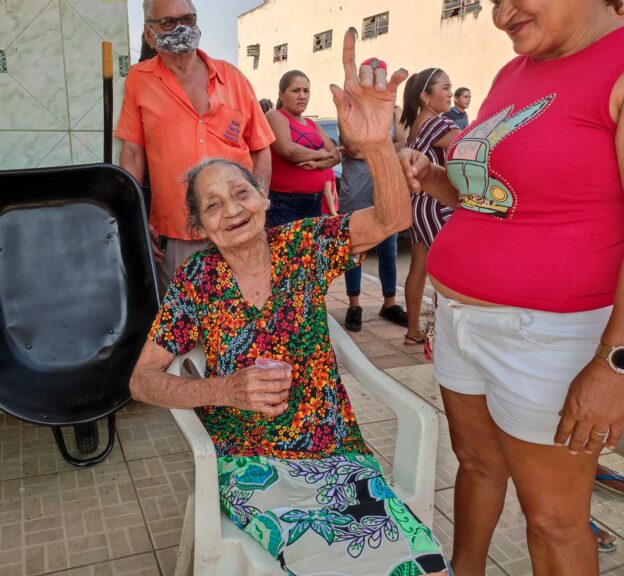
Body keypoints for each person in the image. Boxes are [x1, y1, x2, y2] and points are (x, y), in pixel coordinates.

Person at [130, 29, 448, 576]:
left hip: (335, 453)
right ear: (199, 227)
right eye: (212, 206)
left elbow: (391, 219)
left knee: (420, 566)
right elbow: (141, 381)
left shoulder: (303, 245)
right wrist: (224, 389)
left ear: (263, 197)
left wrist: (376, 146)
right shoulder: (197, 281)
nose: (232, 210)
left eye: (240, 193)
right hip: (251, 464)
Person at [399, 0, 624, 573]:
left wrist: (614, 365)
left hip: (550, 341)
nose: (501, 15)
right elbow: (488, 199)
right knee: (475, 466)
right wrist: (433, 177)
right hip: (459, 322)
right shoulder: (510, 74)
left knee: (553, 520)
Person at [117, 0, 274, 289]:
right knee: (185, 312)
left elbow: (261, 147)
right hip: (180, 232)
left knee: (249, 305)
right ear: (150, 34)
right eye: (168, 22)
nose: (181, 29)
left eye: (188, 20)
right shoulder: (139, 80)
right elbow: (132, 153)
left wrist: (260, 197)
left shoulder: (233, 78)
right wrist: (134, 215)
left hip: (240, 224)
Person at [340, 58, 408, 332]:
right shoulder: (349, 106)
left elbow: (402, 141)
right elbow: (352, 147)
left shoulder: (395, 110)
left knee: (389, 251)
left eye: (381, 74)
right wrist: (382, 146)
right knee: (354, 251)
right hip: (355, 191)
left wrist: (372, 145)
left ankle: (389, 303)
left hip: (383, 187)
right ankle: (354, 305)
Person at [400, 69, 460, 346]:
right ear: (425, 95)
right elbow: (470, 148)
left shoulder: (415, 124)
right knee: (448, 272)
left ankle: (413, 331)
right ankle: (443, 336)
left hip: (417, 203)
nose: (450, 93)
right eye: (445, 88)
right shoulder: (438, 124)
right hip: (437, 203)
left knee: (419, 267)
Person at [265, 70, 340, 227]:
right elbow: (288, 150)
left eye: (306, 91)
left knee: (311, 244)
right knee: (289, 244)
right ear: (281, 95)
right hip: (286, 204)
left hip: (315, 202)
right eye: (295, 90)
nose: (302, 96)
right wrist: (320, 154)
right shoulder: (275, 116)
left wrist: (317, 164)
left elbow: (335, 156)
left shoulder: (312, 124)